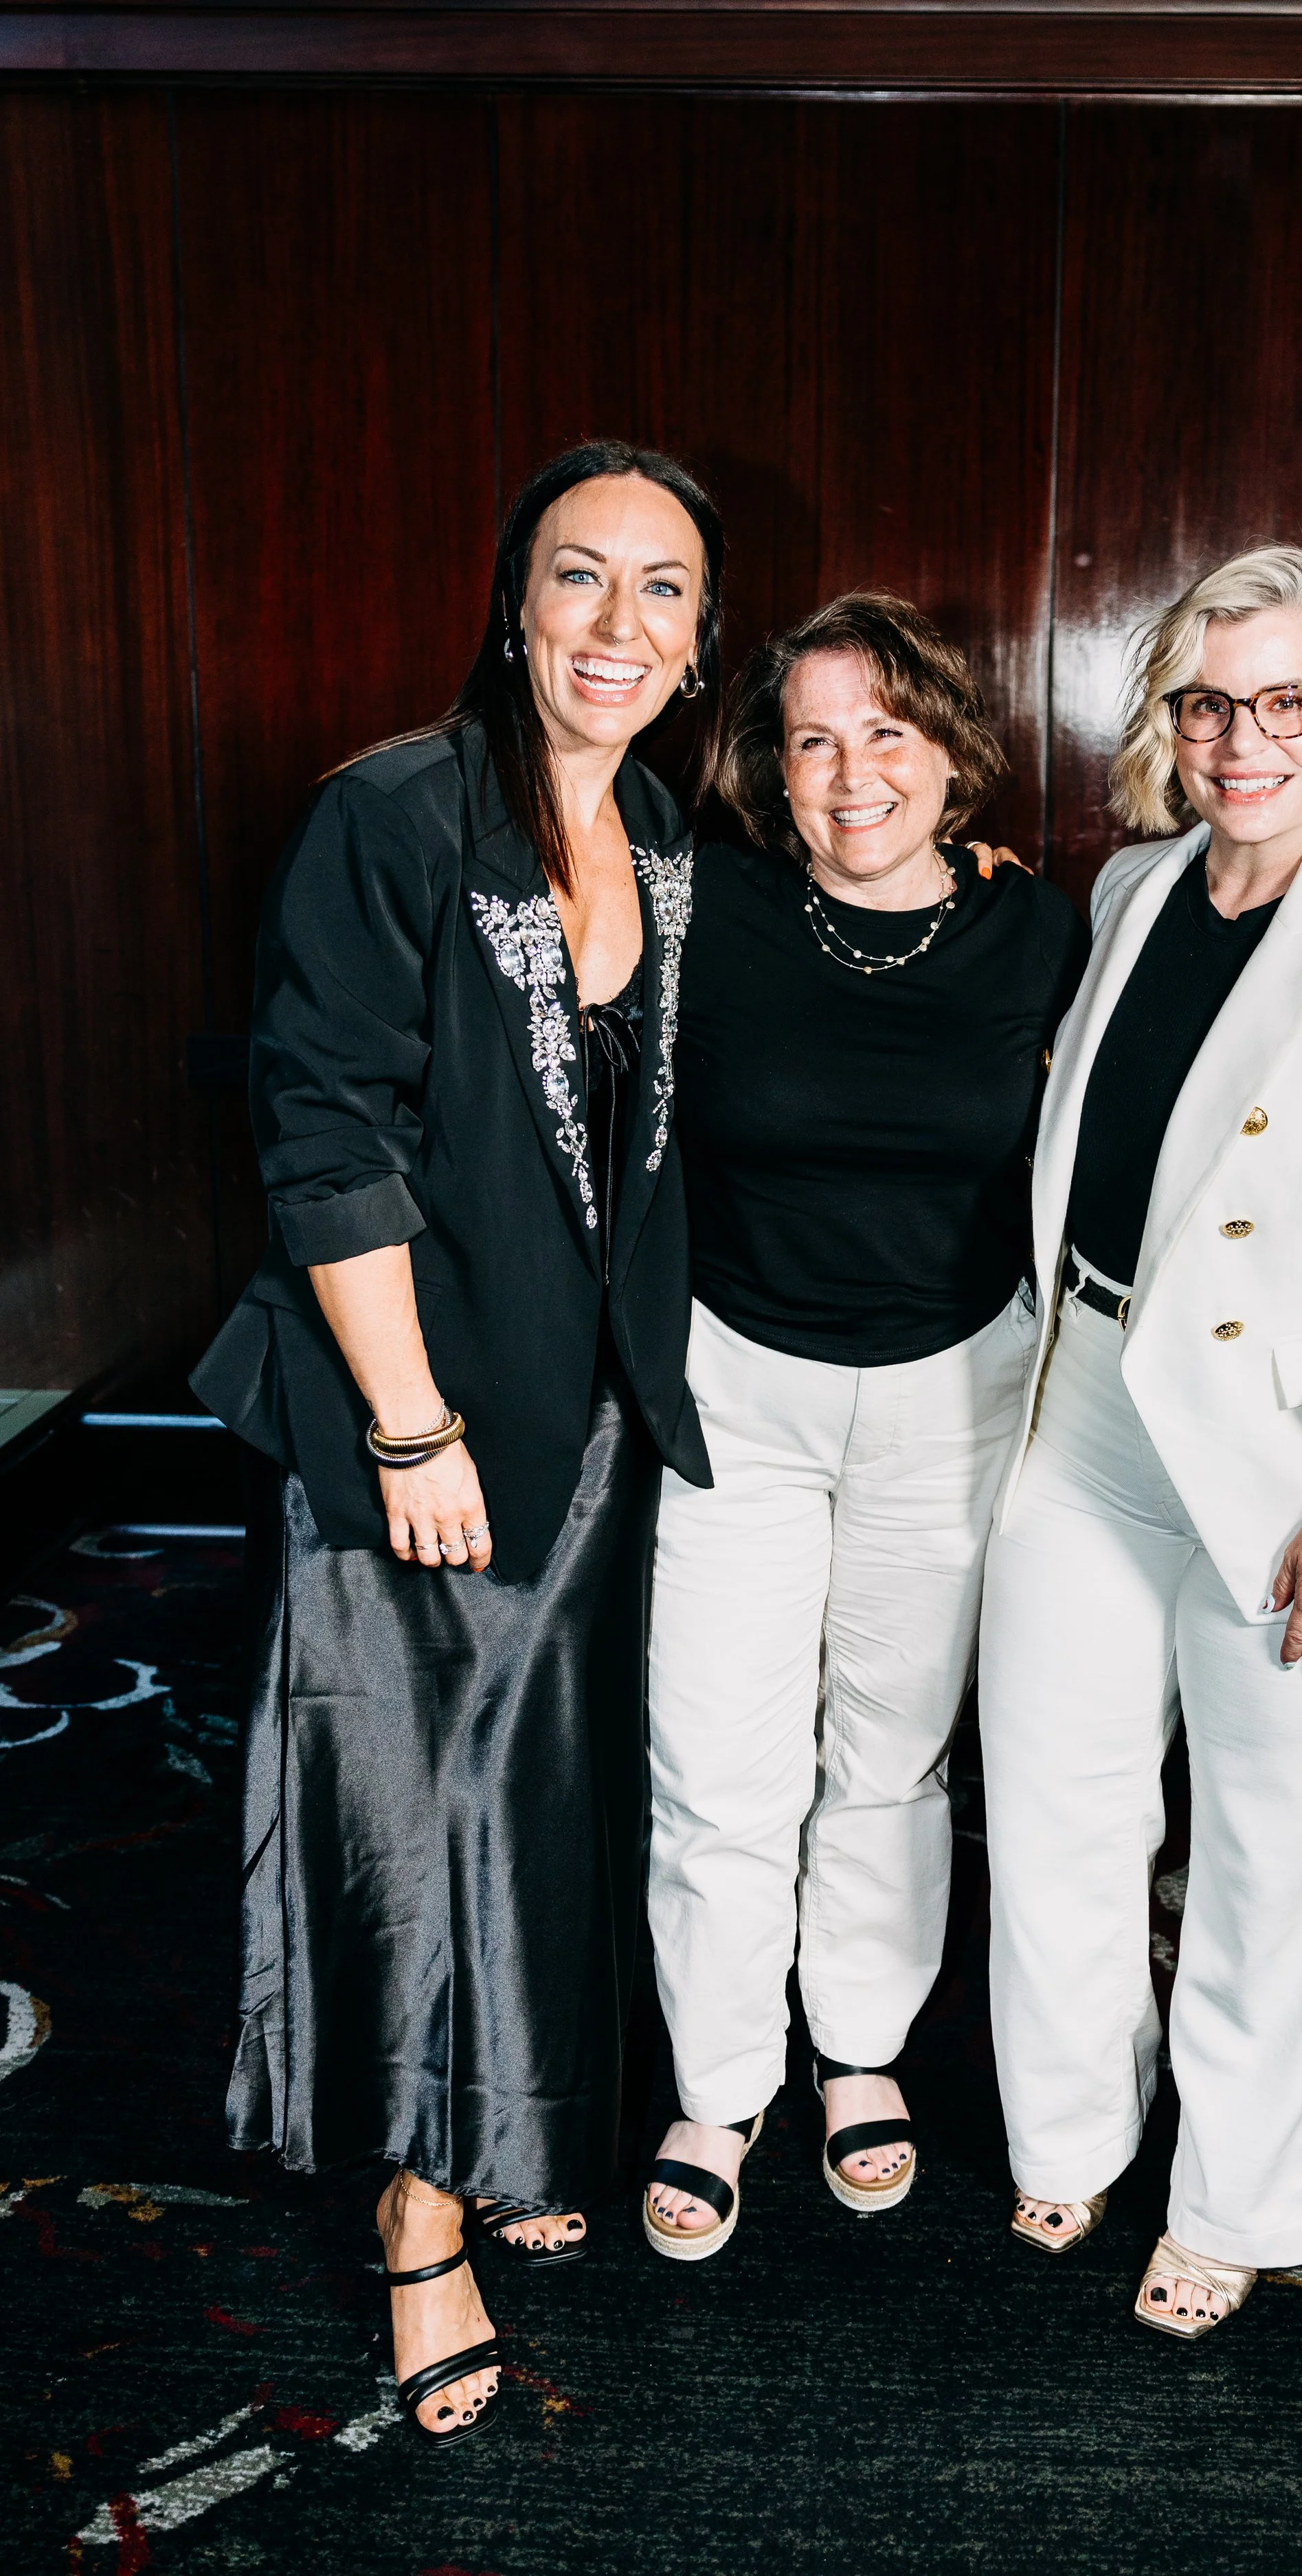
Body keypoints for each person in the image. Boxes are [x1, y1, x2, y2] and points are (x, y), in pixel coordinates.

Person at [191, 441, 723, 2442]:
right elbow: (323, 1133)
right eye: (579, 576)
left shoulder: (656, 825)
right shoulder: (395, 812)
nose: (616, 622)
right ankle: (421, 2218)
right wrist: (411, 1429)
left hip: (584, 1419)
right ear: (512, 604)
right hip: (418, 1412)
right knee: (419, 1815)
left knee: (540, 1804)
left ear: (699, 640)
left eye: (662, 589)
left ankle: (502, 2127)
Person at [979, 545, 1302, 2334]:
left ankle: (1235, 2196)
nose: (1242, 739)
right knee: (1052, 1798)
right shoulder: (1129, 885)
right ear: (1166, 718)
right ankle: (1070, 2127)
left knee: (1271, 1847)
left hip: (1298, 1457)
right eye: (1208, 702)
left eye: (1287, 699)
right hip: (1088, 1400)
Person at [640, 594, 1088, 2256]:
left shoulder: (1038, 933)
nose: (850, 775)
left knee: (889, 1756)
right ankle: (717, 2082)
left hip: (950, 1393)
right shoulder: (705, 906)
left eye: (886, 732)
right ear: (770, 767)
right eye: (812, 739)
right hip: (735, 1387)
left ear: (951, 751)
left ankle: (858, 2051)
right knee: (717, 1760)